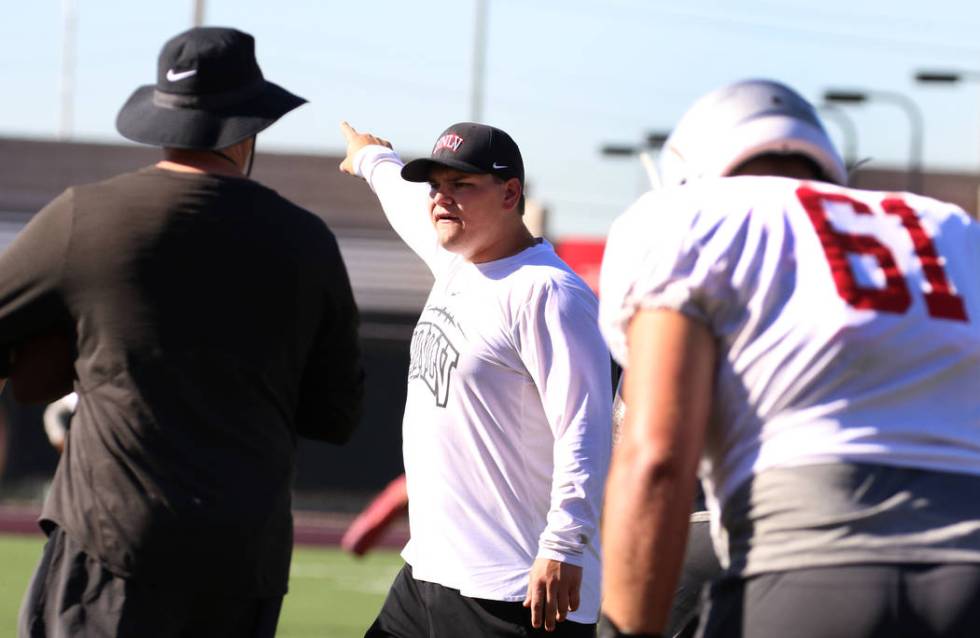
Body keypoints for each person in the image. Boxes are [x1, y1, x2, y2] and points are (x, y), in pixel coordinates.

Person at [0, 26, 364, 638]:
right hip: (244, 557)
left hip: (113, 546)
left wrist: (75, 358)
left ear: (161, 119)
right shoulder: (306, 240)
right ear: (246, 130)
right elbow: (337, 414)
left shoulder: (82, 217)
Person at [598, 78, 980, 638]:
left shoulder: (691, 219)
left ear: (688, 174)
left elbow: (655, 457)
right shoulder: (950, 230)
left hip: (808, 570)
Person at [339, 121, 612, 636]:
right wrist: (371, 159)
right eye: (436, 185)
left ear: (511, 194)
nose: (442, 198)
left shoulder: (548, 292)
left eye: (462, 185)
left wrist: (563, 545)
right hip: (429, 576)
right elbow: (403, 199)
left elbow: (586, 429)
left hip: (514, 593)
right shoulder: (458, 263)